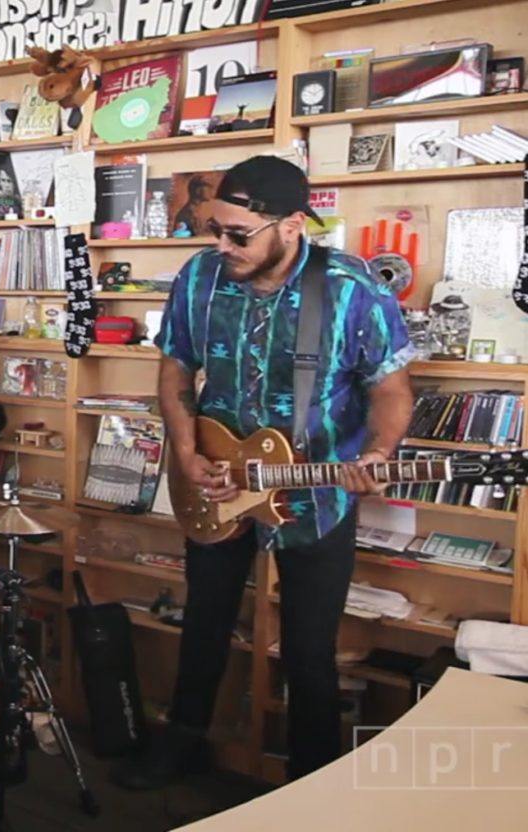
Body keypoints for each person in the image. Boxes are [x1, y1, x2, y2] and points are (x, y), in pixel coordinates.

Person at [114, 156, 414, 788]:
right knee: (204, 624)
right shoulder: (199, 277)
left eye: (237, 234)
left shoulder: (352, 289)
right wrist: (187, 451)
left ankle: (313, 783)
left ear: (293, 225)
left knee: (309, 651)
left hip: (317, 492)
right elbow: (174, 372)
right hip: (217, 478)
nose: (221, 245)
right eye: (215, 228)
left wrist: (379, 454)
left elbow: (390, 390)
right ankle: (182, 744)